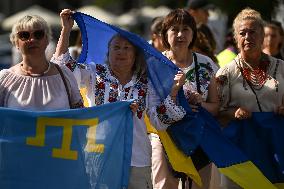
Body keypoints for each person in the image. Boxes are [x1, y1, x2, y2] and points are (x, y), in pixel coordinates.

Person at [52, 9, 188, 189]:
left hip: (137, 160)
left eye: (126, 48)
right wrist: (66, 30)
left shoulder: (145, 82)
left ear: (135, 55)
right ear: (108, 52)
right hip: (99, 155)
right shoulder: (94, 73)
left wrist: (174, 92)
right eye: (116, 47)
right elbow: (63, 67)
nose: (121, 52)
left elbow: (158, 121)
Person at [150, 9, 219, 189]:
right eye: (174, 29)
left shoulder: (206, 64)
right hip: (163, 138)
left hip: (199, 137)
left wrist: (200, 104)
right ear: (165, 34)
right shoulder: (154, 65)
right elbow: (150, 107)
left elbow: (215, 107)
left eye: (186, 29)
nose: (180, 34)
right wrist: (175, 95)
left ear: (193, 33)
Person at [216, 8, 284, 188]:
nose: (248, 37)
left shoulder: (281, 67)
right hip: (240, 152)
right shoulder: (226, 73)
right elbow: (216, 113)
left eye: (253, 32)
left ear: (263, 35)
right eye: (242, 33)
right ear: (236, 39)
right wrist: (233, 113)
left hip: (275, 148)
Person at [0, 15, 83, 110]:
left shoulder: (65, 74)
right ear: (16, 42)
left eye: (38, 34)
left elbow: (80, 115)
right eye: (24, 35)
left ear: (47, 40)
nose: (32, 40)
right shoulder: (4, 78)